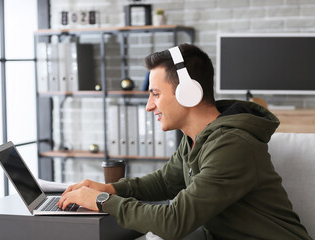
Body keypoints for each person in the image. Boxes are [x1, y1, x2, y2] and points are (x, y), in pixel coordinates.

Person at [57, 43, 311, 240]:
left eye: (155, 94)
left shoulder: (233, 145)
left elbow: (174, 221)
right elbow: (166, 181)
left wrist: (102, 202)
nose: (149, 106)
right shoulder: (197, 137)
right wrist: (110, 189)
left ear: (188, 93)